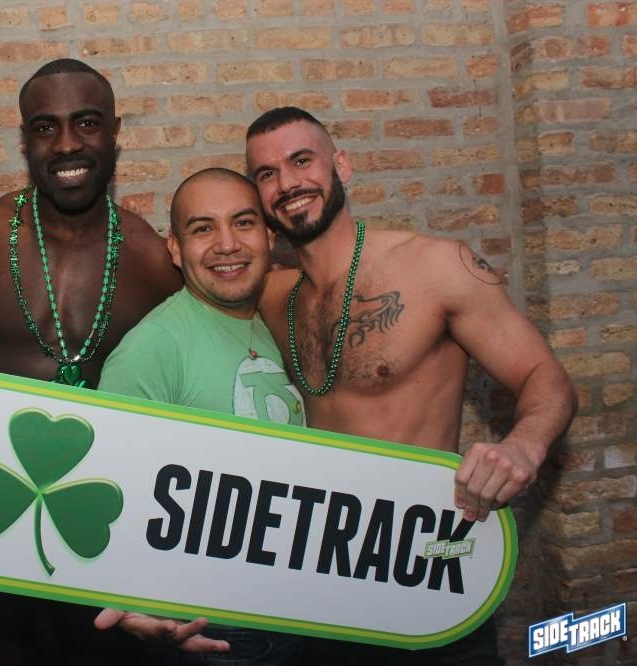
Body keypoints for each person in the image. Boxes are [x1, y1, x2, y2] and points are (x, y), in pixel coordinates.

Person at [245, 107, 577, 665]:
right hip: (322, 576)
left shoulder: (435, 267)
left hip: (426, 562)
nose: (288, 183)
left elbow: (547, 377)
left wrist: (524, 445)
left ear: (341, 165)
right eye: (267, 173)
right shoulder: (274, 296)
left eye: (302, 161)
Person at [0, 58, 182, 664]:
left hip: (99, 528)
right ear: (25, 139)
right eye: (45, 127)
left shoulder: (154, 259)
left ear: (115, 132)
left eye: (87, 123)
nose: (67, 143)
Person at [96, 168, 307, 665]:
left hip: (297, 614)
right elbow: (103, 491)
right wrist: (131, 607)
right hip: (215, 637)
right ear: (175, 248)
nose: (227, 244)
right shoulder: (152, 348)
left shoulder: (278, 323)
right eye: (203, 228)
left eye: (243, 223)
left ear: (270, 237)